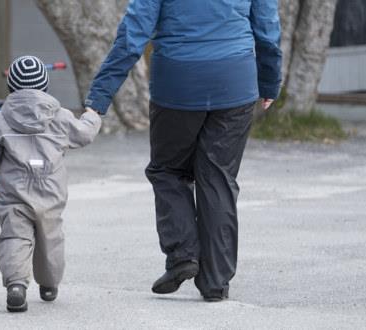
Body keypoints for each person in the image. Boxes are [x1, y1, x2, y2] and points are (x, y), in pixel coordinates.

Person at [85, 0, 282, 301]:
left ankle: (182, 255)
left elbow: (132, 35)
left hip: (177, 85)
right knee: (218, 178)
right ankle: (215, 282)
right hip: (235, 82)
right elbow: (267, 30)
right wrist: (269, 80)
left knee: (167, 170)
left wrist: (100, 96)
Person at [0, 55, 101, 312]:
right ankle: (49, 284)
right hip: (51, 190)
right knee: (50, 237)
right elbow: (84, 133)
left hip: (15, 192)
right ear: (44, 87)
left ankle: (16, 285)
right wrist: (92, 116)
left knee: (14, 235)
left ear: (11, 87)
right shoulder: (61, 117)